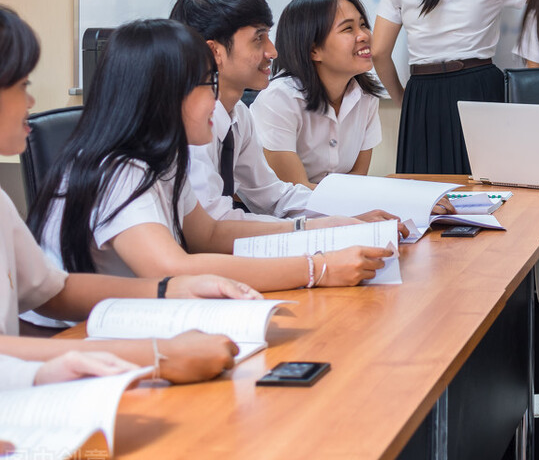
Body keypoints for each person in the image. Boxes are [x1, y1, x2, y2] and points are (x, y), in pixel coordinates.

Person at [27, 19, 392, 294]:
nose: (215, 102)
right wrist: (318, 269)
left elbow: (210, 232)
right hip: (83, 335)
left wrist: (317, 230)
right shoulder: (122, 169)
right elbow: (173, 267)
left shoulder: (164, 160)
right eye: (208, 85)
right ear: (164, 95)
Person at [0, 5, 257, 386]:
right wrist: (155, 354)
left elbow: (51, 290)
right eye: (23, 86)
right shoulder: (118, 169)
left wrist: (167, 291)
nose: (31, 101)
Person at [171, 0, 397, 223]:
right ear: (215, 52)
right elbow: (213, 230)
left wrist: (351, 215)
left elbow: (273, 195)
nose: (273, 52)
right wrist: (315, 227)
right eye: (259, 39)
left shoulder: (239, 114)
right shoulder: (190, 123)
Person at [372, 0, 532, 174]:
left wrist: (402, 99)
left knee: (427, 199)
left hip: (422, 95)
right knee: (487, 189)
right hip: (479, 89)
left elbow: (378, 52)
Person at [252, 0, 385, 188]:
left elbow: (357, 179)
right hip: (282, 215)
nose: (364, 35)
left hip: (339, 214)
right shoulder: (279, 99)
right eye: (348, 29)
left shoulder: (366, 97)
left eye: (363, 25)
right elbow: (296, 191)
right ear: (314, 49)